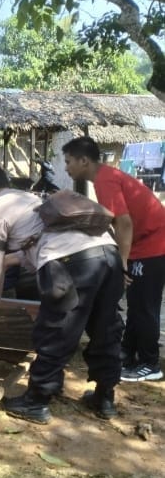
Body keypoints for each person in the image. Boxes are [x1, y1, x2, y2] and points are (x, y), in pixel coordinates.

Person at [0, 162, 123, 422]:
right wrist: (5, 260)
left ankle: (36, 401)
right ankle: (105, 397)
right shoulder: (28, 197)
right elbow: (34, 245)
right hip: (108, 254)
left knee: (56, 330)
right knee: (105, 327)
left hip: (72, 263)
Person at [63, 135, 165, 385]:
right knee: (135, 303)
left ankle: (150, 364)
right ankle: (128, 354)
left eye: (68, 162)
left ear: (84, 160)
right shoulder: (104, 177)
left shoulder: (105, 180)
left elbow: (125, 224)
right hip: (144, 242)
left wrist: (121, 263)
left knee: (144, 307)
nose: (66, 167)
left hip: (153, 243)